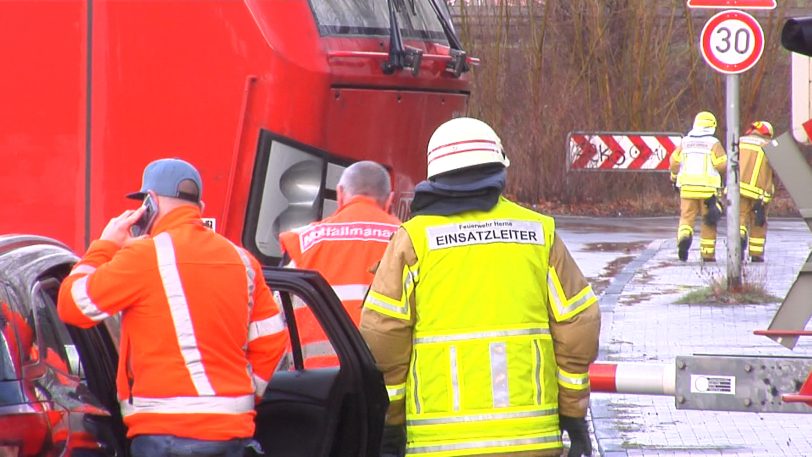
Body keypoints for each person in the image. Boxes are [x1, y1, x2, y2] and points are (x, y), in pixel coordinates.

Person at [359, 117, 601, 457]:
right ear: (499, 170)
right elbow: (579, 327)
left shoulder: (413, 241)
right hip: (532, 438)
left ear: (434, 175)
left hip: (438, 443)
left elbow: (382, 341)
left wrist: (391, 424)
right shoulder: (538, 233)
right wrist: (573, 415)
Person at [57, 158, 288, 457]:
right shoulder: (242, 260)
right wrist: (240, 395)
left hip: (166, 436)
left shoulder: (144, 256)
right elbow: (272, 341)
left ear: (149, 202)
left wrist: (105, 245)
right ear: (199, 206)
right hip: (233, 432)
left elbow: (72, 306)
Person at [279, 160, 400, 368]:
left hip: (316, 385)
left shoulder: (304, 242)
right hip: (384, 382)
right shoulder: (406, 241)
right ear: (390, 200)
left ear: (340, 194)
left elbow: (274, 317)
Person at [669, 111, 727, 262]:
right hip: (708, 191)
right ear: (712, 126)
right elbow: (722, 165)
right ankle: (707, 254)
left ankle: (684, 237)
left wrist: (674, 178)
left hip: (687, 188)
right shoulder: (714, 144)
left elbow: (674, 163)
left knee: (686, 218)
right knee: (708, 221)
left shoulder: (685, 142)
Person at [737, 121, 775, 262]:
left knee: (740, 217)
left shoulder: (740, 141)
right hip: (758, 191)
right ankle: (756, 254)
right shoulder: (769, 146)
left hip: (738, 188)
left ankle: (739, 238)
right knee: (758, 221)